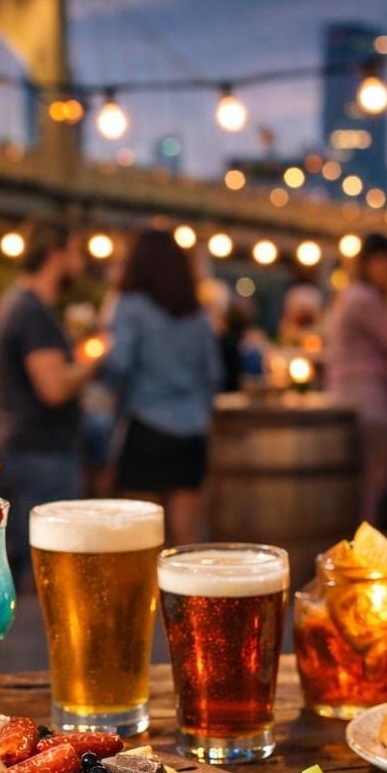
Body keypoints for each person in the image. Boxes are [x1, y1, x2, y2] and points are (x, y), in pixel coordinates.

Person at [99, 227, 222, 547]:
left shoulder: (130, 305)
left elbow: (120, 365)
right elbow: (213, 375)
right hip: (192, 432)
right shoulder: (197, 313)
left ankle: (144, 599)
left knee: (139, 536)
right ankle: (191, 598)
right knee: (185, 533)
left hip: (147, 427)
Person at [0, 218, 96, 577]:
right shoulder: (32, 313)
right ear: (56, 254)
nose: (81, 263)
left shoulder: (11, 302)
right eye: (76, 252)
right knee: (50, 564)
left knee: (25, 553)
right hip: (44, 452)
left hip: (20, 445)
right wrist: (92, 361)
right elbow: (53, 389)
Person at [325, 233, 387, 523]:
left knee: (361, 480)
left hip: (346, 395)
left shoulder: (348, 295)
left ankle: (361, 546)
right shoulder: (364, 299)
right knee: (375, 478)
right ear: (371, 263)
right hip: (368, 399)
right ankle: (366, 549)